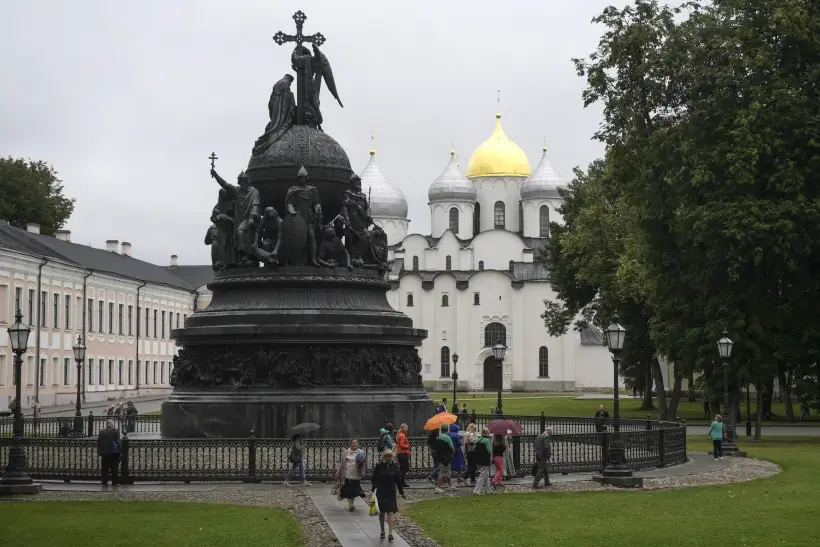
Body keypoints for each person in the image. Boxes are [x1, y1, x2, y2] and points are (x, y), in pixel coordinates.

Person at [371, 450, 405, 542]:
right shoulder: (379, 466)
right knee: (381, 512)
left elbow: (398, 480)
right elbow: (373, 478)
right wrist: (374, 488)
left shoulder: (395, 466)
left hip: (391, 492)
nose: (389, 458)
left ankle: (390, 533)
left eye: (390, 456)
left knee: (390, 512)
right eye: (387, 456)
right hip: (381, 491)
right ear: (384, 457)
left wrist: (401, 491)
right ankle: (382, 530)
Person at [336, 439, 368, 511]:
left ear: (358, 444)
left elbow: (364, 462)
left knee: (354, 491)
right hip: (348, 473)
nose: (354, 444)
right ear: (350, 444)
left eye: (355, 443)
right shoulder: (346, 452)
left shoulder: (361, 452)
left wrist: (362, 465)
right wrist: (339, 472)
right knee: (348, 490)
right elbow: (342, 463)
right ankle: (350, 504)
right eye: (352, 443)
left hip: (356, 474)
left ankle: (351, 503)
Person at [97, 420, 121, 486]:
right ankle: (114, 482)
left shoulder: (102, 432)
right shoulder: (115, 431)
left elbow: (98, 442)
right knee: (114, 469)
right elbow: (118, 442)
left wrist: (100, 450)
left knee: (105, 469)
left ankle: (104, 482)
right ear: (112, 425)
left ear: (106, 425)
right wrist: (120, 451)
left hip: (105, 453)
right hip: (114, 453)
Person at [472, 426, 493, 495]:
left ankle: (488, 490)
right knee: (482, 475)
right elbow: (489, 451)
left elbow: (474, 448)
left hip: (477, 459)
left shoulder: (478, 440)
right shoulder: (487, 440)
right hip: (484, 460)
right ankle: (477, 490)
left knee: (485, 475)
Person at [434, 424, 454, 493]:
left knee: (447, 471)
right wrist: (453, 453)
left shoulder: (438, 437)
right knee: (443, 472)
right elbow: (452, 447)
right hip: (446, 457)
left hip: (440, 456)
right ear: (447, 430)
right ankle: (437, 488)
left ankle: (450, 485)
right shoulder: (447, 438)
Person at [395, 423, 411, 488]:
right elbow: (401, 444)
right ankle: (398, 479)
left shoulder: (400, 435)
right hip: (402, 453)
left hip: (400, 453)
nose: (407, 429)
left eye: (407, 427)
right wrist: (407, 446)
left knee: (402, 468)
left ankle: (402, 482)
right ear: (402, 428)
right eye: (406, 427)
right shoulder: (402, 435)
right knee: (405, 468)